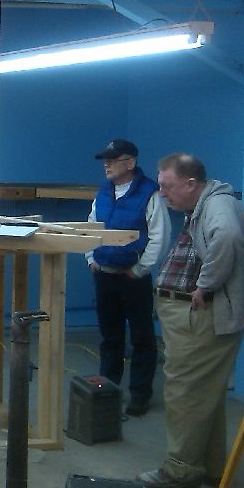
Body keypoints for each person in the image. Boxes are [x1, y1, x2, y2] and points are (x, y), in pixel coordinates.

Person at [136, 153, 244, 488]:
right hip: (190, 316)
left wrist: (205, 285)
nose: (162, 193)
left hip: (199, 317)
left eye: (167, 186)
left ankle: (180, 470)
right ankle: (209, 466)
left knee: (186, 392)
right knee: (205, 393)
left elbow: (228, 237)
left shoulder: (218, 205)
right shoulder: (207, 204)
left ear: (191, 183)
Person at [86, 139, 170, 416]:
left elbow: (159, 237)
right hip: (104, 276)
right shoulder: (104, 192)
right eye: (105, 160)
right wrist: (91, 258)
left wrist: (139, 269)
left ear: (130, 162)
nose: (106, 165)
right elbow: (91, 227)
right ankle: (107, 390)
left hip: (133, 279)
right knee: (110, 338)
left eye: (113, 160)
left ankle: (140, 395)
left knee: (142, 338)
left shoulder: (149, 194)